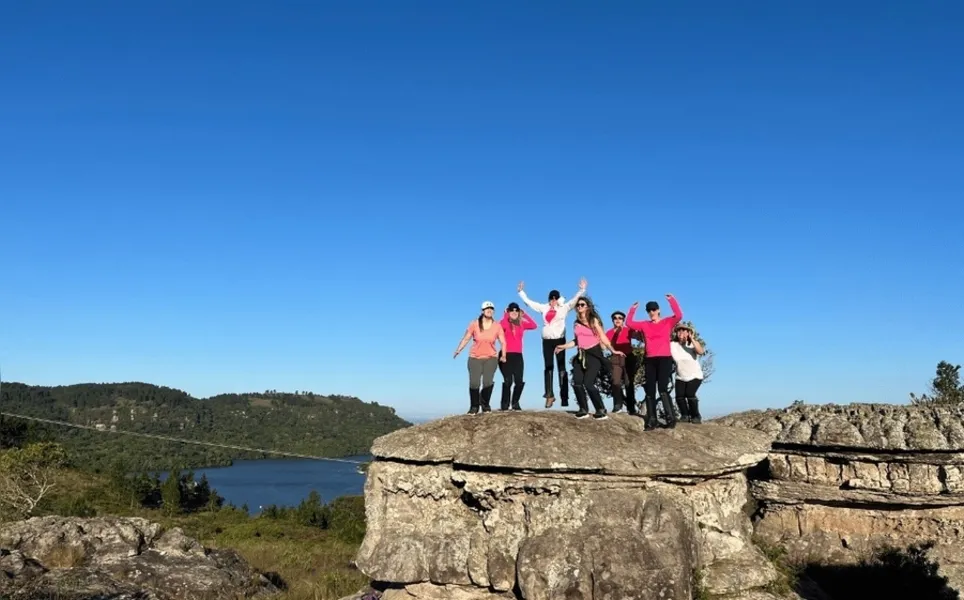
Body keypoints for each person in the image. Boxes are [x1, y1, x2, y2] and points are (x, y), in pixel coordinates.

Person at [517, 278, 587, 409]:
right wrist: (521, 292)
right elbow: (530, 303)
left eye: (555, 298)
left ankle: (564, 397)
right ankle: (549, 395)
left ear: (558, 299)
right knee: (548, 367)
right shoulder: (544, 308)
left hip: (559, 340)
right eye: (551, 298)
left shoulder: (564, 308)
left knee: (561, 367)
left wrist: (582, 289)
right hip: (547, 341)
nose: (553, 300)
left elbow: (574, 301)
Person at [554, 297, 624, 420]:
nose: (579, 307)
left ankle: (600, 409)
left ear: (587, 306)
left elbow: (602, 336)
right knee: (577, 382)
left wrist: (612, 350)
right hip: (581, 354)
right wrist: (563, 346)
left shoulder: (593, 320)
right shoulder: (576, 323)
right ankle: (583, 409)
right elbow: (577, 340)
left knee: (588, 383)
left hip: (594, 354)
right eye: (578, 305)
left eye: (582, 304)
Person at [626, 294, 683, 430]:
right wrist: (632, 309)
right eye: (649, 310)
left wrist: (672, 300)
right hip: (650, 359)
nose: (651, 312)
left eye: (653, 309)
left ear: (658, 310)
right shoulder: (644, 324)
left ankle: (671, 418)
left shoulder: (667, 322)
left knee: (663, 389)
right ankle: (652, 420)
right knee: (650, 390)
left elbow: (679, 315)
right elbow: (629, 323)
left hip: (664, 359)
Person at [453, 301, 507, 414]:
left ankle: (485, 405)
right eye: (487, 308)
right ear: (482, 311)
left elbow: (503, 342)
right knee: (474, 383)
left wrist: (503, 355)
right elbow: (466, 338)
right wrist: (458, 350)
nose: (489, 310)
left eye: (491, 308)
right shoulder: (474, 324)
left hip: (491, 358)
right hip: (475, 358)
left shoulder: (497, 326)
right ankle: (474, 406)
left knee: (488, 382)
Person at [499, 302, 537, 410]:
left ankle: (515, 403)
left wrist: (524, 315)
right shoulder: (504, 323)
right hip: (505, 354)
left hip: (518, 355)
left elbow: (534, 325)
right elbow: (501, 325)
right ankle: (504, 405)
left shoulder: (521, 324)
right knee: (508, 381)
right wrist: (506, 315)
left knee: (519, 381)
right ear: (508, 311)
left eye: (517, 310)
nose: (514, 312)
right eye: (512, 310)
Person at [606, 311, 643, 414]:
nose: (617, 320)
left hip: (628, 357)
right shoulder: (609, 332)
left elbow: (638, 337)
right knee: (615, 382)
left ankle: (631, 408)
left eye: (620, 318)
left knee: (629, 383)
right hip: (616, 358)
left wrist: (640, 333)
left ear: (623, 320)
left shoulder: (628, 330)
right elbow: (604, 345)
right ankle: (617, 405)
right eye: (615, 318)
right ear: (612, 320)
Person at [671, 322, 705, 423]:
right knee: (679, 396)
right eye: (678, 330)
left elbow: (700, 351)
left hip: (695, 375)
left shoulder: (691, 344)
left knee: (690, 394)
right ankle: (685, 415)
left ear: (688, 332)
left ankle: (696, 416)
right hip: (680, 376)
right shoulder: (672, 345)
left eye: (683, 330)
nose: (681, 332)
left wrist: (692, 339)